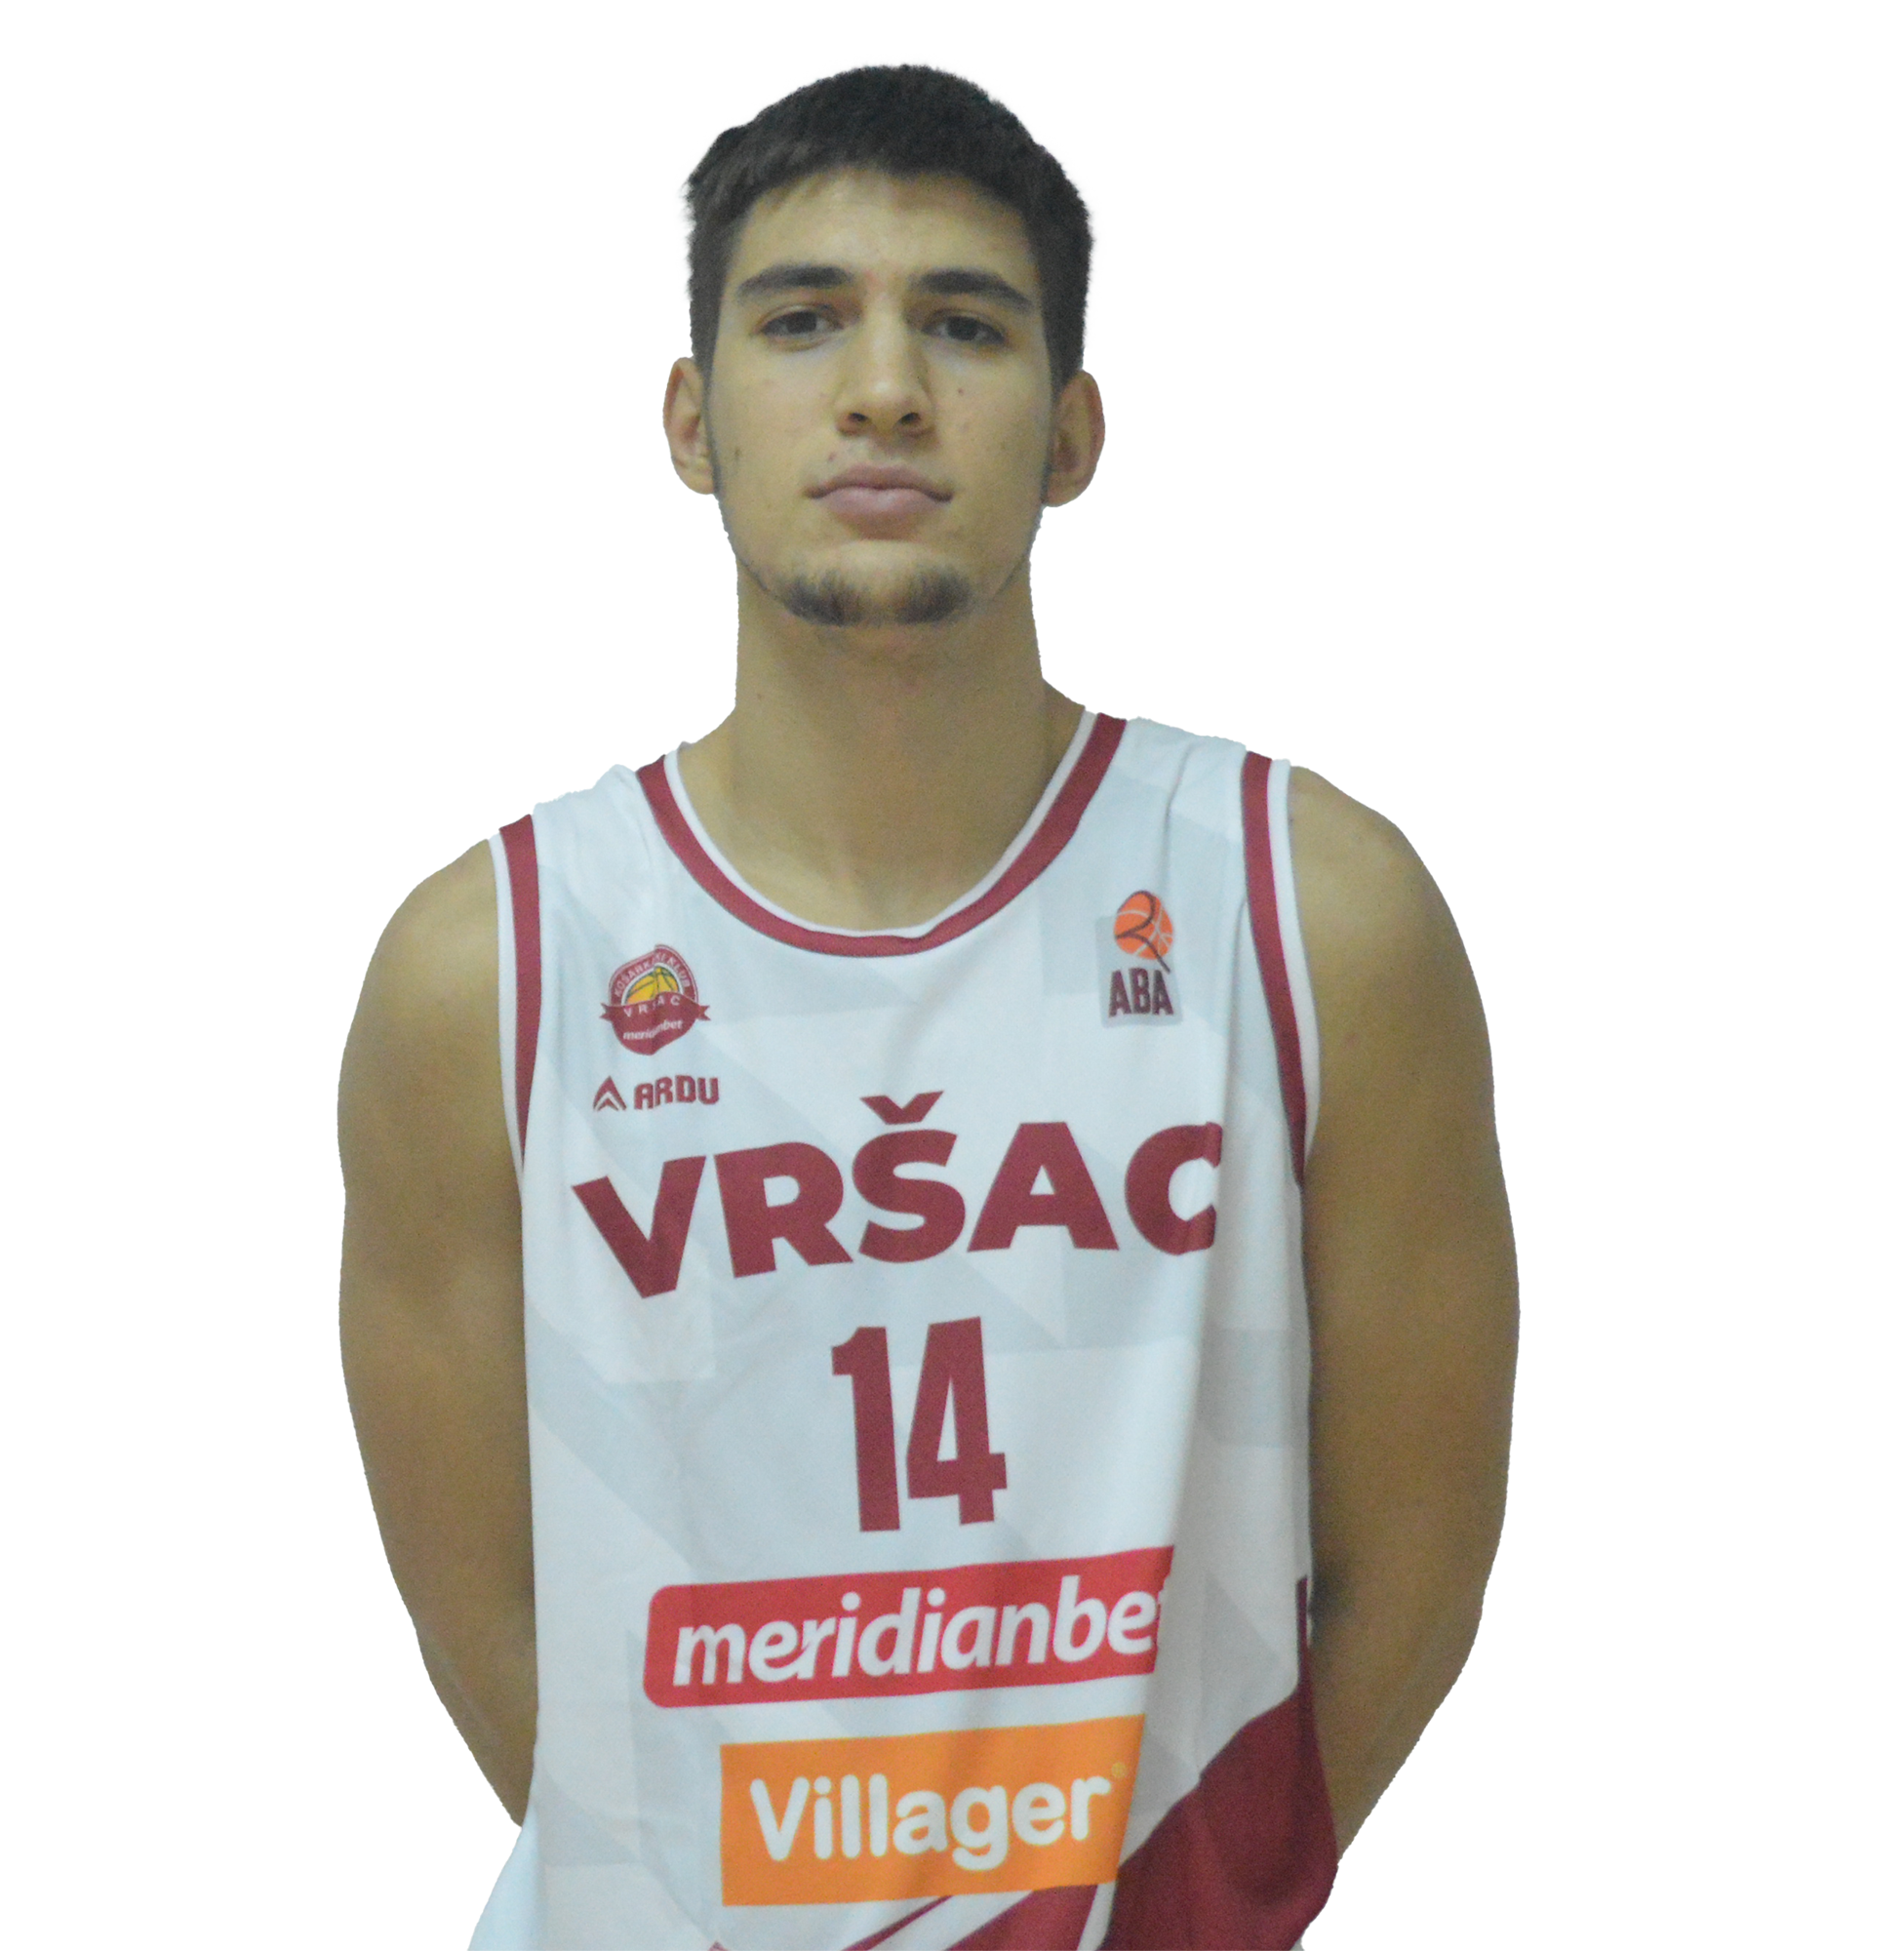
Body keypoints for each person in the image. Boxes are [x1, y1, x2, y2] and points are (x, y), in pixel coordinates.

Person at [339, 61, 1516, 1951]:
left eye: (963, 325)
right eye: (802, 319)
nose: (883, 385)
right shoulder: (487, 967)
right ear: (691, 418)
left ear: (1070, 431)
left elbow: (1419, 1569)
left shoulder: (1312, 910)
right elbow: (482, 1610)